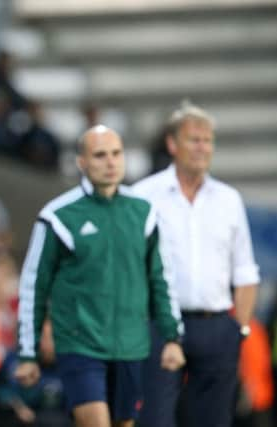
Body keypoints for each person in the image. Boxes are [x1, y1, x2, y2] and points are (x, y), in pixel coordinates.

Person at [15, 125, 185, 427]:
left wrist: (172, 336)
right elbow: (33, 286)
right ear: (82, 162)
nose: (110, 162)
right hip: (80, 346)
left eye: (116, 153)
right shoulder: (58, 216)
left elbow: (161, 278)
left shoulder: (144, 212)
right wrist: (28, 353)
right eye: (100, 155)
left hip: (132, 345)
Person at [132, 102, 260, 427]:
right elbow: (129, 266)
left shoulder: (229, 199)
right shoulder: (144, 196)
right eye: (194, 139)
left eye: (208, 140)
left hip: (215, 325)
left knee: (214, 420)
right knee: (155, 419)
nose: (202, 148)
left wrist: (239, 330)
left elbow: (245, 271)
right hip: (159, 326)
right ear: (173, 144)